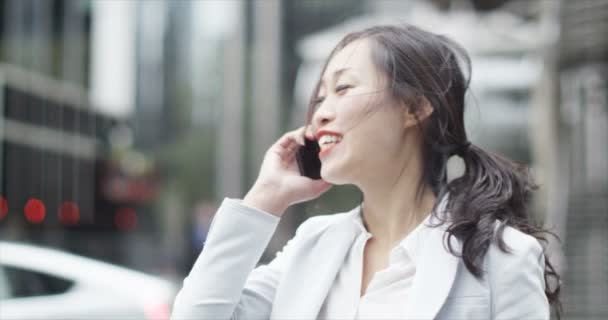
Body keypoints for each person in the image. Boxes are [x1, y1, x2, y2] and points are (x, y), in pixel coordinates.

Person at [171, 24, 561, 320]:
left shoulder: (501, 255)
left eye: (343, 89)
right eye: (321, 96)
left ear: (415, 108)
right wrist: (265, 198)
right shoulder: (313, 245)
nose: (321, 112)